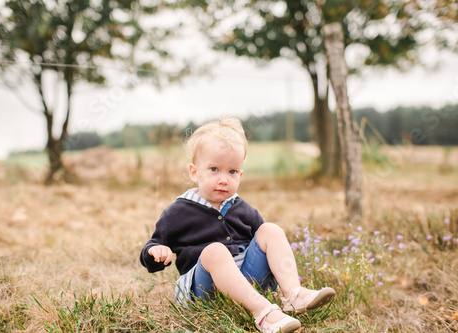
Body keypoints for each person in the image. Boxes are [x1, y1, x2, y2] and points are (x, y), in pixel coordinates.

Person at [140, 117, 335, 333]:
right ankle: (264, 314)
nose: (224, 179)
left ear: (240, 175)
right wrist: (156, 251)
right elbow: (152, 249)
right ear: (194, 172)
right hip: (205, 290)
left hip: (247, 280)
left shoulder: (242, 208)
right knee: (215, 251)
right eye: (214, 169)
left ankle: (293, 294)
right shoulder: (177, 212)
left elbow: (266, 248)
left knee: (270, 230)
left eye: (232, 172)